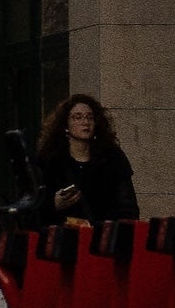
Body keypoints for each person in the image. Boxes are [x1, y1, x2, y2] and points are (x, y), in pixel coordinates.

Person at [36, 93, 138, 226]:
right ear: (66, 125)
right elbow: (33, 211)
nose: (86, 122)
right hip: (64, 238)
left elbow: (128, 206)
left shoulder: (112, 157)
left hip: (103, 237)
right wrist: (53, 204)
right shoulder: (51, 160)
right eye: (77, 117)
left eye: (90, 117)